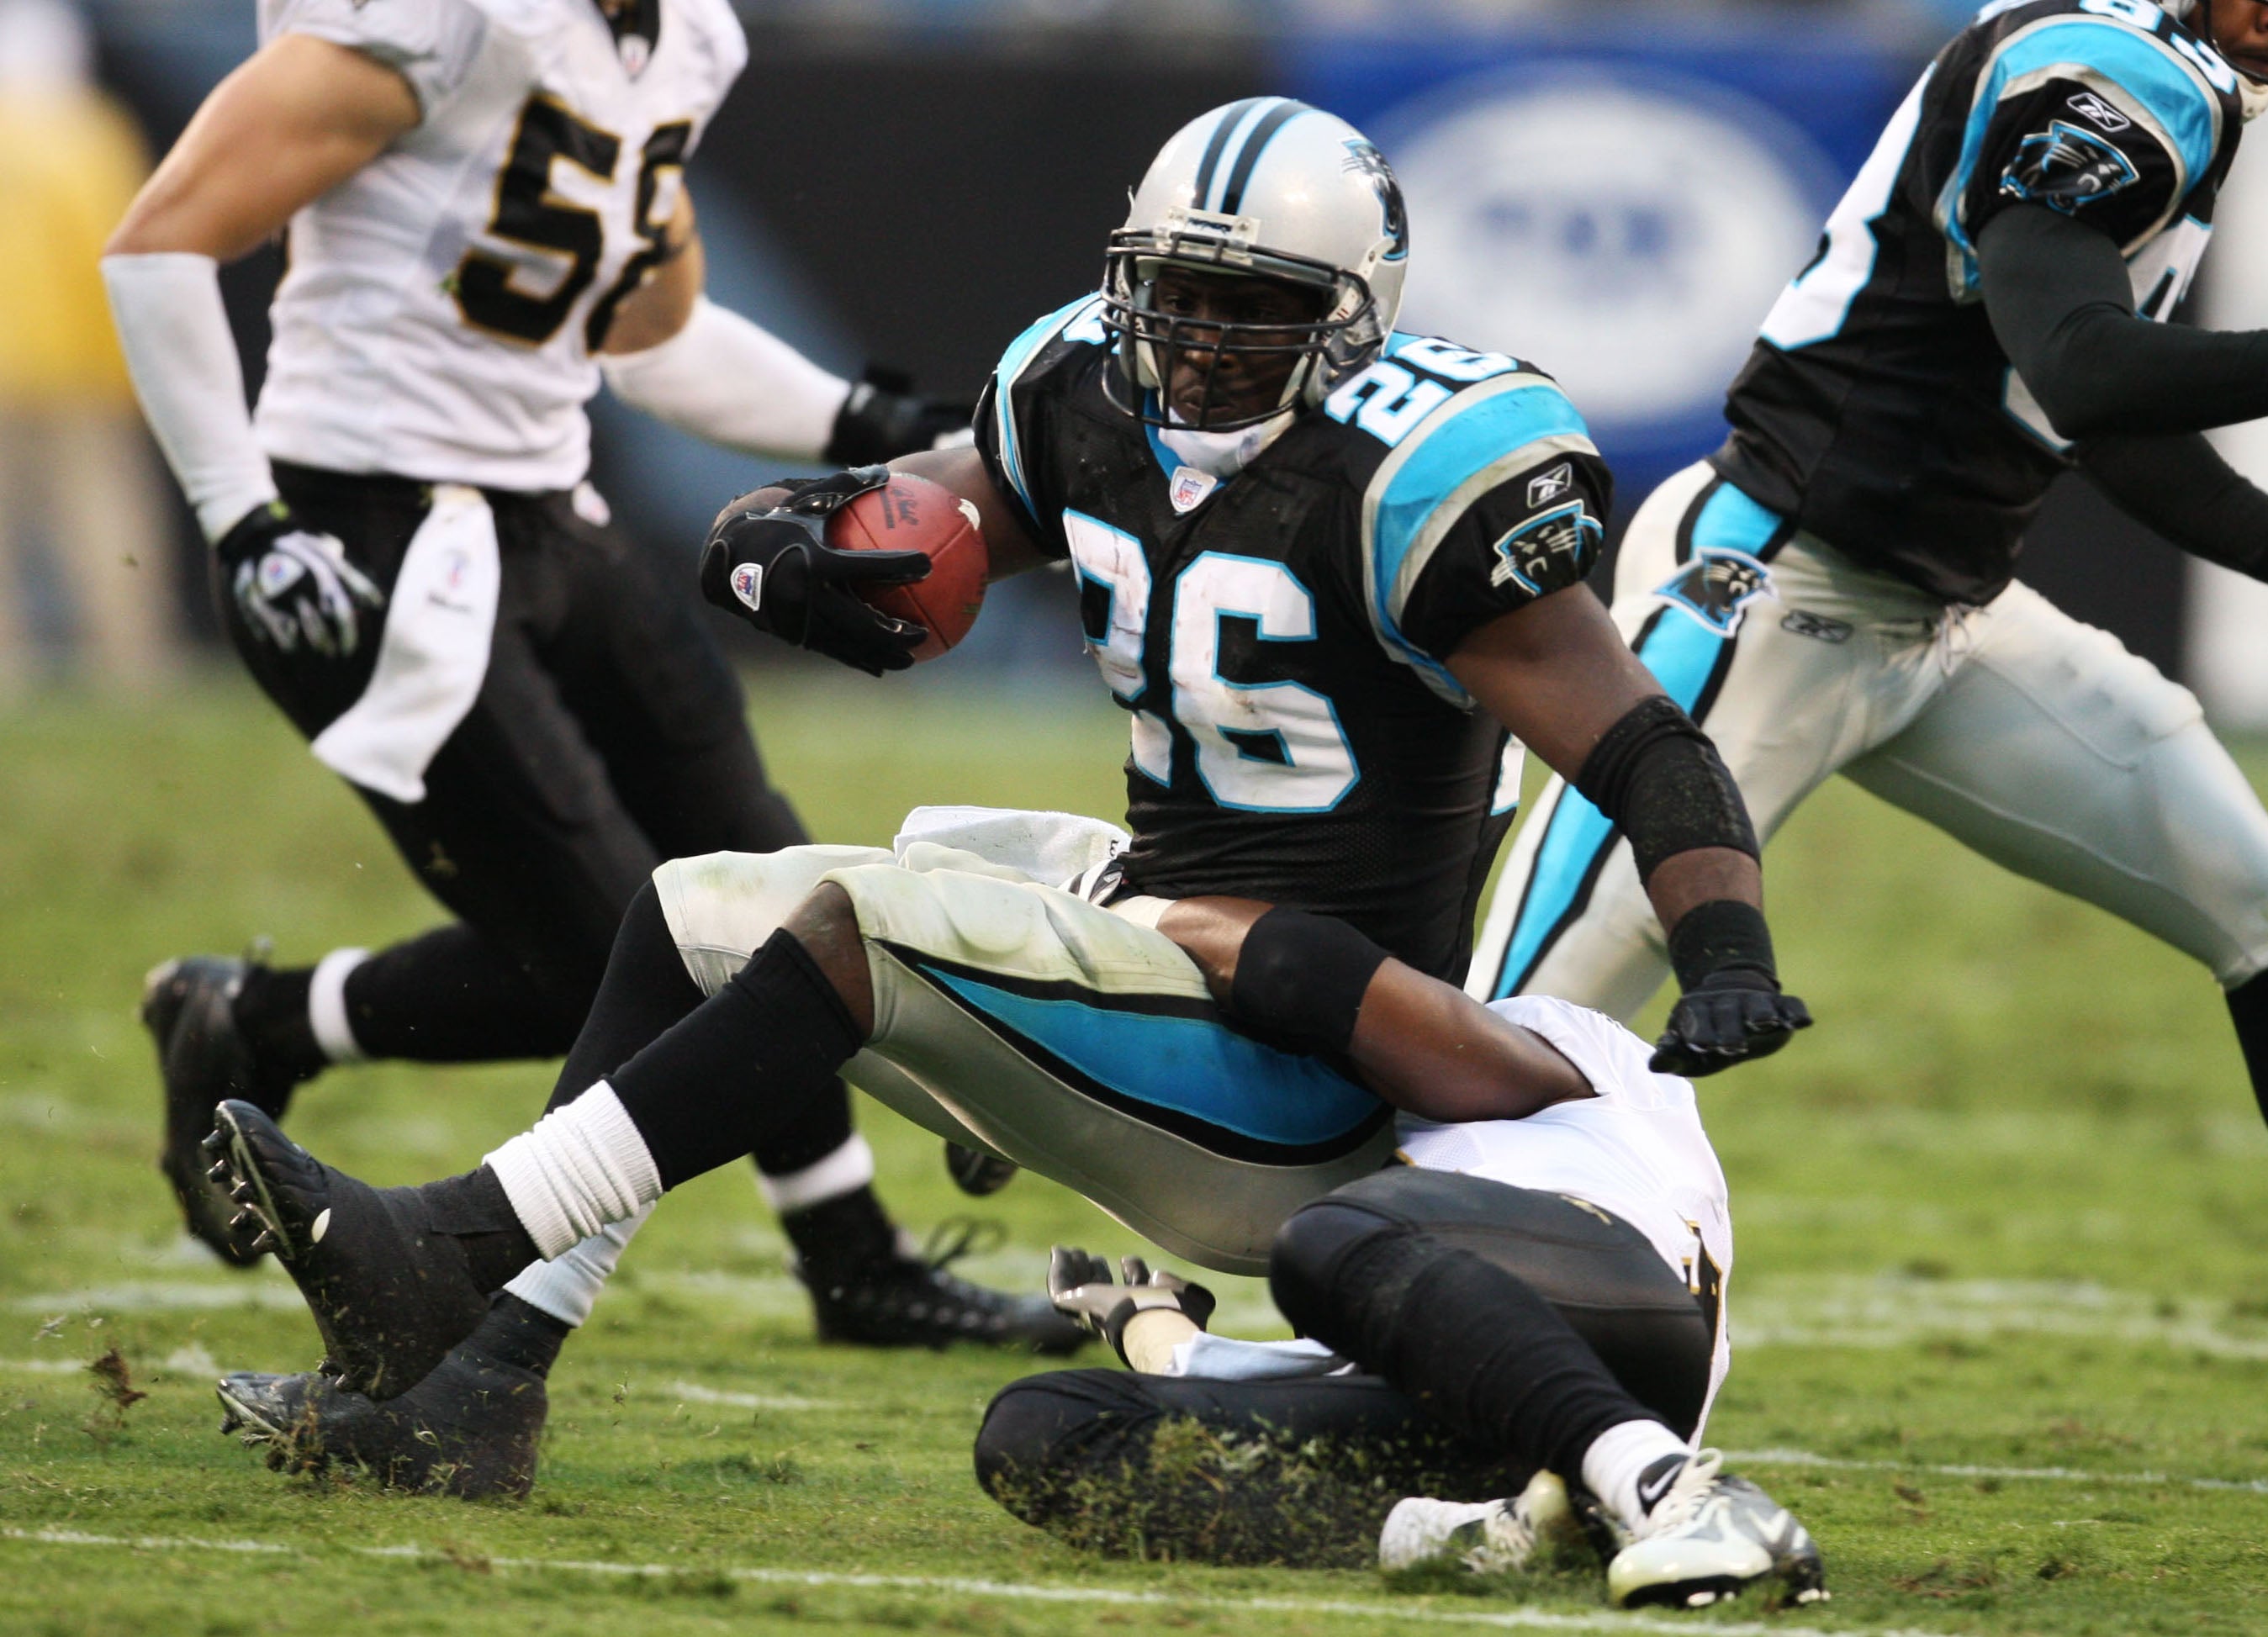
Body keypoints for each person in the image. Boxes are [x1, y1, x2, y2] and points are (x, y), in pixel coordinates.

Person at [198, 97, 1808, 1497]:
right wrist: (811, 540)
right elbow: (947, 524)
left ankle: (454, 1242)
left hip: (1299, 1056)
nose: (1193, 340)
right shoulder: (1078, 389)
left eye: (1246, 307)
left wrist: (1724, 942)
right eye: (1169, 296)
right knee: (694, 901)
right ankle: (480, 1383)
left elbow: (1643, 745)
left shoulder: (1425, 478)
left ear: (1352, 318)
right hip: (1150, 928)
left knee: (866, 929)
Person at [101, 0, 1076, 1355]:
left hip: (548, 513)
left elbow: (654, 341)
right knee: (624, 953)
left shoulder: (675, 38)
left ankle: (854, 1258)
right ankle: (366, 1157)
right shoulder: (456, 21)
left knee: (766, 881)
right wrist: (243, 520)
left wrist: (886, 429)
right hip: (371, 532)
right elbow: (157, 245)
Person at [1471, 0, 2268, 1126]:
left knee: (2256, 903)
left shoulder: (2182, 78)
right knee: (1502, 1029)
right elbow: (2088, 370)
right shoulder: (2115, 76)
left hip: (1946, 621)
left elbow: (2091, 414)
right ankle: (1328, 1276)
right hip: (1771, 582)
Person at [975, 985, 1827, 1612]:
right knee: (1040, 1424)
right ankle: (1499, 1532)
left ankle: (1671, 1489)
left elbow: (1306, 965)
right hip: (1508, 1420)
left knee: (1324, 1243)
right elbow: (1428, 1342)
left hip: (1626, 1327)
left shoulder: (1553, 1042)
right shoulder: (1401, 1207)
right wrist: (1161, 1338)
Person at [0, 0, 179, 692]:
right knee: (105, 521)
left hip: (16, 365)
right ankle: (133, 664)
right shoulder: (93, 135)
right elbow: (122, 249)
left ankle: (11, 670)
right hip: (82, 362)